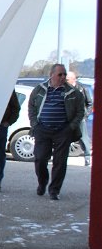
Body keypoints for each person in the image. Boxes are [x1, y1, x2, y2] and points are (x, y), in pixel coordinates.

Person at [28, 64, 85, 200]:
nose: (63, 77)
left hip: (63, 131)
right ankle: (42, 182)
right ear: (52, 75)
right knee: (40, 158)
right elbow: (31, 106)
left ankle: (54, 190)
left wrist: (71, 127)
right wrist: (35, 124)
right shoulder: (40, 89)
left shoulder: (73, 92)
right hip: (42, 129)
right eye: (60, 74)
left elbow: (80, 112)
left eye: (64, 74)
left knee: (60, 162)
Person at [66, 71, 93, 166]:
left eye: (67, 79)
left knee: (83, 138)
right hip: (68, 118)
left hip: (80, 118)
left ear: (73, 79)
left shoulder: (82, 89)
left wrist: (85, 115)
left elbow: (89, 103)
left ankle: (87, 158)